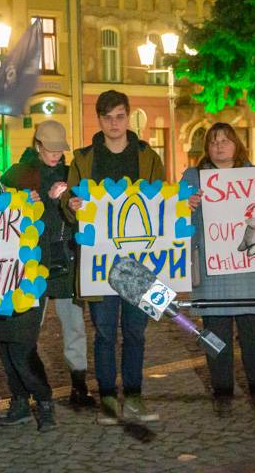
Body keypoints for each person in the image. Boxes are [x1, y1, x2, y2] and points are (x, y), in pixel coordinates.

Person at [62, 90, 165, 425]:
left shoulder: (148, 156)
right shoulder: (83, 159)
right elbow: (69, 202)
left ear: (128, 116)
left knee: (136, 332)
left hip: (140, 262)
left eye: (120, 116)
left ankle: (133, 396)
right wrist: (71, 205)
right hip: (99, 261)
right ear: (99, 120)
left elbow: (163, 200)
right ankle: (107, 399)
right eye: (107, 118)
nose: (114, 123)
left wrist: (181, 205)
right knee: (105, 333)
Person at [183, 122, 255, 421]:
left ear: (236, 144)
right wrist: (185, 205)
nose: (219, 146)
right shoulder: (192, 178)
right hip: (212, 273)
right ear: (207, 147)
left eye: (225, 140)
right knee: (216, 339)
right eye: (214, 141)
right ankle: (222, 394)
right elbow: (174, 219)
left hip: (249, 274)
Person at [0, 120, 88, 433]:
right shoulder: (19, 174)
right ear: (37, 146)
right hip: (32, 265)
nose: (56, 155)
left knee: (74, 328)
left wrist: (73, 202)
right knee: (22, 336)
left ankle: (79, 387)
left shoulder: (72, 173)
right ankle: (23, 397)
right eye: (50, 149)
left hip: (67, 261)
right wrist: (31, 200)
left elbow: (86, 212)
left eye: (60, 150)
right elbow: (3, 211)